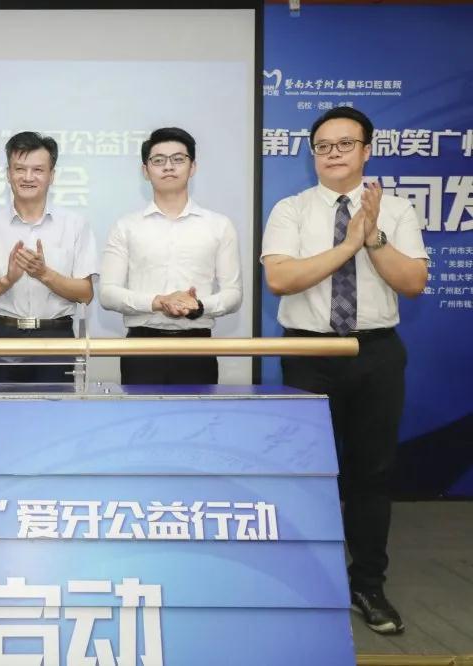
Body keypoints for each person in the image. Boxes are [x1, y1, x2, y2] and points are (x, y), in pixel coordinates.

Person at [261, 107, 428, 635]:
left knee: (370, 475)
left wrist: (373, 238)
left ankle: (368, 584)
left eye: (345, 144)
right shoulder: (291, 209)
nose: (333, 153)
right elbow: (282, 279)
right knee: (305, 473)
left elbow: (413, 282)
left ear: (366, 150)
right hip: (308, 354)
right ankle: (303, 582)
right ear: (313, 153)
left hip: (375, 353)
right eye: (323, 146)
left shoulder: (395, 209)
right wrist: (348, 245)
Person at [99, 127, 241, 384]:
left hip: (198, 347)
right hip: (141, 347)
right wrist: (158, 302)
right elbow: (108, 293)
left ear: (193, 166)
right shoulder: (126, 226)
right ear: (145, 170)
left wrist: (198, 306)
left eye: (178, 159)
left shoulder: (219, 225)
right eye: (158, 160)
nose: (168, 167)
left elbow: (233, 294)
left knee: (198, 411)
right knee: (141, 412)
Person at [0, 131, 98, 384]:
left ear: (52, 175)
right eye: (20, 169)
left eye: (38, 170)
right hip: (1, 337)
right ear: (8, 174)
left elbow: (85, 293)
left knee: (56, 409)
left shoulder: (76, 225)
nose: (28, 177)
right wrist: (6, 281)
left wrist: (44, 274)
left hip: (56, 337)